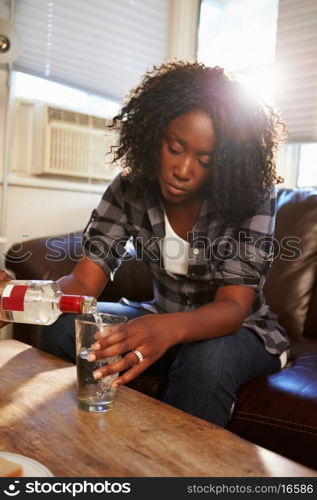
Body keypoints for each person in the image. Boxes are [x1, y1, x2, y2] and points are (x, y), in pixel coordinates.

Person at [9, 61, 291, 427]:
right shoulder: (130, 188)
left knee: (206, 359)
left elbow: (234, 307)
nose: (184, 169)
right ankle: (80, 442)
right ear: (154, 134)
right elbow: (82, 285)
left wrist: (170, 330)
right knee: (63, 326)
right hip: (160, 314)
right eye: (175, 148)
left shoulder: (250, 197)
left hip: (240, 331)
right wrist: (18, 298)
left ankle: (178, 478)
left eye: (205, 160)